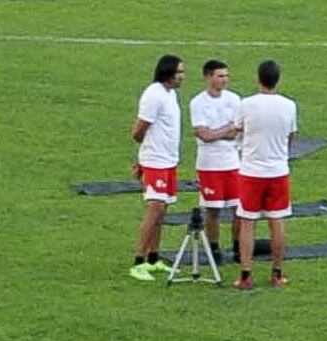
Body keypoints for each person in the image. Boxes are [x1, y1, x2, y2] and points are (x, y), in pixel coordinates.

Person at [230, 60, 300, 289]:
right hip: (278, 171)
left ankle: (246, 275)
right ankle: (277, 273)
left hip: (251, 172)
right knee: (277, 222)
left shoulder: (246, 104)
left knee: (247, 223)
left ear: (258, 78)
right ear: (277, 80)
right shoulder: (289, 105)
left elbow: (237, 131)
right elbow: (291, 137)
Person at [126, 52, 187, 279]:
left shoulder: (170, 95)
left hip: (169, 161)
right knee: (156, 209)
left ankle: (153, 258)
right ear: (168, 73)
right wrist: (145, 159)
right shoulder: (154, 95)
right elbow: (139, 131)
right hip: (156, 162)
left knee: (163, 209)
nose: (183, 76)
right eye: (179, 72)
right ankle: (138, 261)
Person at [186, 59, 244, 260]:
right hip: (209, 164)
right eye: (220, 76)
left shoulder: (235, 99)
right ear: (208, 77)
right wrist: (226, 130)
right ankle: (214, 249)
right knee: (213, 209)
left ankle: (238, 248)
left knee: (239, 208)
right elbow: (204, 135)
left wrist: (217, 133)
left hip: (232, 162)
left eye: (226, 76)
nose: (224, 80)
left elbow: (237, 131)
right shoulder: (198, 103)